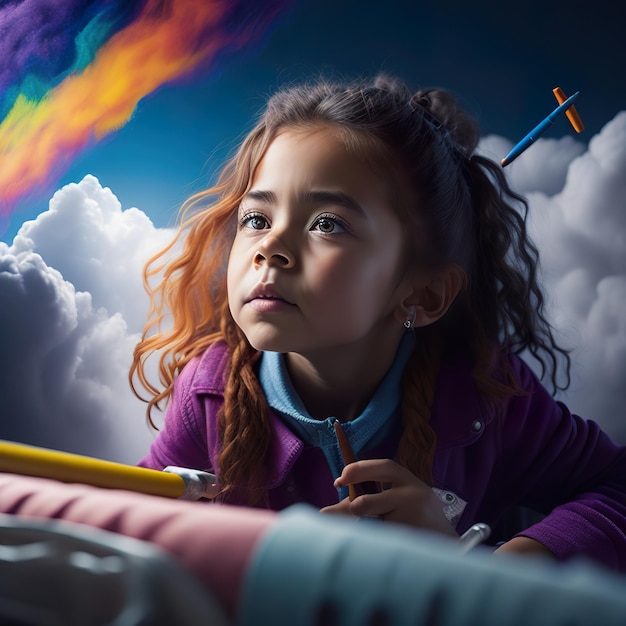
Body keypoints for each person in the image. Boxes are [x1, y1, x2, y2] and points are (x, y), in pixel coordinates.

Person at [131, 75, 626, 569]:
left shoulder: (486, 394)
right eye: (257, 219)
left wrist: (483, 567)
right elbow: (130, 522)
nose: (271, 248)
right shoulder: (209, 396)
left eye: (328, 223)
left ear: (424, 294)